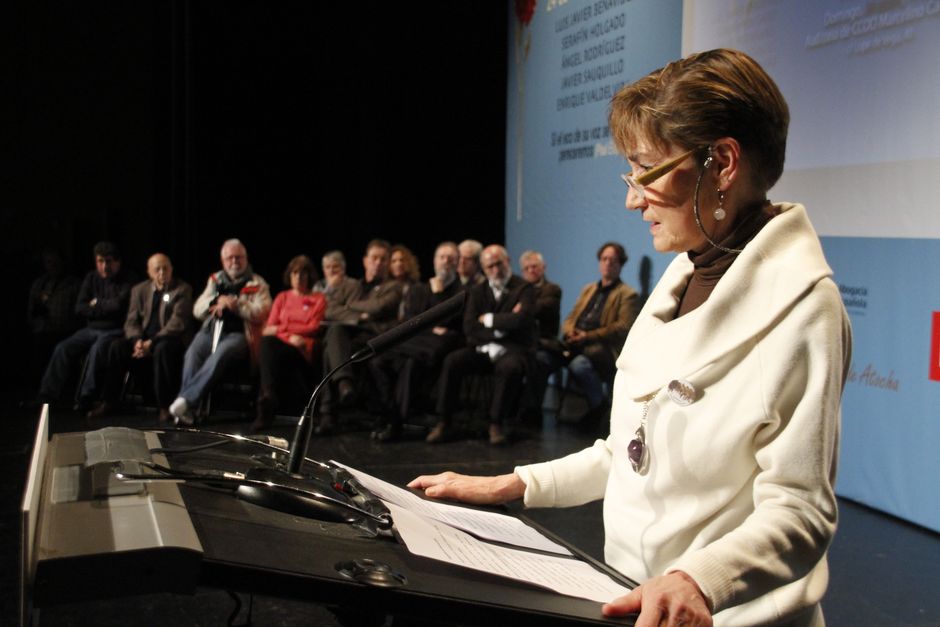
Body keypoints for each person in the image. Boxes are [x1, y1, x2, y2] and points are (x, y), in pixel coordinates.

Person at [409, 49, 852, 626]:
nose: (632, 198)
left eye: (645, 170)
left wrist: (698, 580)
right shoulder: (682, 274)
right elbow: (630, 453)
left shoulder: (804, 307)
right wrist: (510, 485)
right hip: (630, 599)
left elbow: (801, 511)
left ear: (722, 163)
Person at [425, 244, 536, 446]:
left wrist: (489, 319)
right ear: (483, 269)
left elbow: (522, 321)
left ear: (507, 262)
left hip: (512, 349)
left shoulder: (523, 288)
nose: (495, 270)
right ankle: (444, 421)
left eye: (498, 264)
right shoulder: (477, 291)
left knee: (510, 367)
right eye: (489, 266)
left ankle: (496, 422)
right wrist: (504, 323)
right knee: (453, 361)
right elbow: (470, 327)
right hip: (483, 348)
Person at [367, 241, 464, 442]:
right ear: (435, 261)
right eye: (441, 257)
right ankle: (390, 414)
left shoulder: (461, 291)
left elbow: (449, 322)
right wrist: (432, 328)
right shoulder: (419, 288)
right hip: (417, 342)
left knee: (412, 362)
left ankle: (395, 423)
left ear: (457, 262)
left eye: (450, 258)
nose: (445, 262)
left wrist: (437, 296)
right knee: (377, 361)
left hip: (440, 344)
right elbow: (412, 321)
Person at [169, 239, 272, 425]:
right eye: (230, 258)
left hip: (240, 335)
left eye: (238, 257)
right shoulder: (215, 280)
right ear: (223, 260)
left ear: (246, 259)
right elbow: (197, 309)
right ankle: (187, 409)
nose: (234, 262)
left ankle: (186, 400)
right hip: (211, 330)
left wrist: (237, 304)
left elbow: (263, 312)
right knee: (193, 353)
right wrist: (215, 302)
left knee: (219, 355)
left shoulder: (258, 283)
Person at [540, 242, 638, 432]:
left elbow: (622, 327)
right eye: (604, 259)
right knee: (542, 358)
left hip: (602, 349)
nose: (608, 263)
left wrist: (588, 336)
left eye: (613, 260)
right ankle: (531, 412)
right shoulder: (589, 289)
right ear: (599, 262)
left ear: (621, 264)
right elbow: (571, 317)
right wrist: (570, 331)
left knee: (579, 365)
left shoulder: (627, 294)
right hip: (576, 343)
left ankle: (599, 407)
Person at [89, 253, 193, 423]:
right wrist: (137, 341)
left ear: (171, 269)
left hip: (169, 339)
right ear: (149, 272)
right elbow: (131, 321)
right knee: (116, 346)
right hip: (143, 340)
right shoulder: (139, 290)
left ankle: (164, 405)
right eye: (157, 269)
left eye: (165, 268)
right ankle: (109, 401)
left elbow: (178, 323)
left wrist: (151, 343)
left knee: (162, 348)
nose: (161, 273)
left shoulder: (182, 289)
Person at [315, 239, 403, 435]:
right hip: (351, 337)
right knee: (334, 334)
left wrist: (349, 308)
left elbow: (378, 307)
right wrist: (359, 316)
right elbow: (329, 310)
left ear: (388, 263)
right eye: (374, 258)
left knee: (333, 343)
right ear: (365, 261)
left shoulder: (394, 287)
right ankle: (343, 386)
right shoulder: (354, 285)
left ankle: (328, 411)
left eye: (383, 259)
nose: (378, 263)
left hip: (376, 337)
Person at [37, 241, 134, 410]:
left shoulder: (127, 279)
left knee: (97, 350)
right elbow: (80, 308)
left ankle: (86, 397)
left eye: (108, 261)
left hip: (115, 329)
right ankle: (47, 396)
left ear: (117, 262)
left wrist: (95, 304)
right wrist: (102, 306)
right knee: (63, 348)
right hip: (91, 329)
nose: (104, 266)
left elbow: (118, 306)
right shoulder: (91, 278)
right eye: (100, 262)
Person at [251, 254, 327, 433]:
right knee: (268, 343)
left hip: (304, 350)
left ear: (310, 276)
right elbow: (268, 329)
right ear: (289, 276)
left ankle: (267, 403)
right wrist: (289, 335)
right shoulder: (282, 297)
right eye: (295, 273)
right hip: (285, 346)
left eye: (303, 273)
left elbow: (313, 328)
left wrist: (283, 329)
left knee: (271, 344)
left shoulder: (318, 299)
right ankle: (268, 397)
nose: (299, 277)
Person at [516, 250, 562, 424]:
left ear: (543, 268)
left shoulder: (552, 289)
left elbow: (539, 309)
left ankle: (532, 411)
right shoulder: (518, 290)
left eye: (534, 266)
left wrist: (520, 309)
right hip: (522, 344)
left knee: (539, 361)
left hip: (545, 345)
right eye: (526, 268)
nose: (531, 270)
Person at [27, 248, 80, 389]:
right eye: (49, 262)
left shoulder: (73, 284)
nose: (53, 265)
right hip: (42, 330)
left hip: (65, 331)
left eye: (56, 262)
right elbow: (31, 310)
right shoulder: (39, 284)